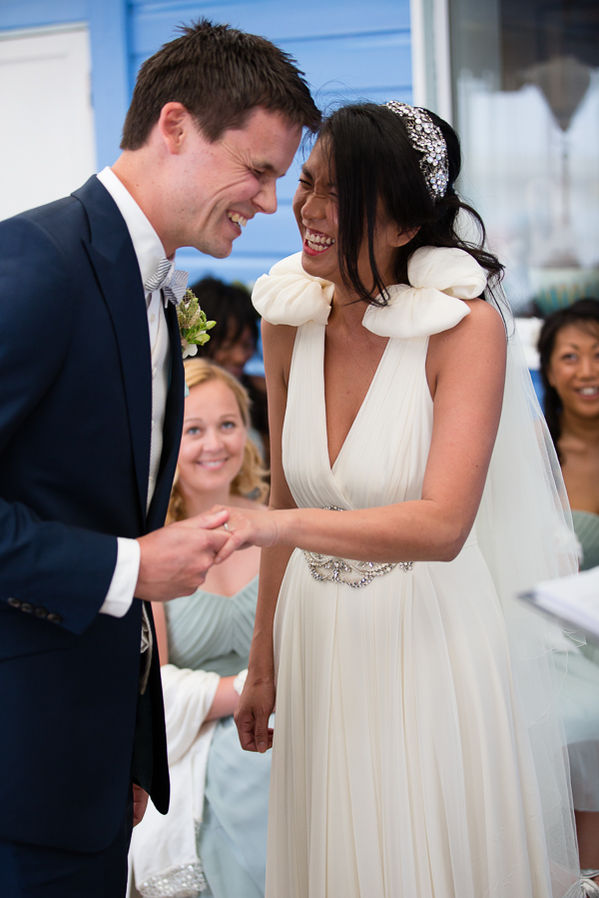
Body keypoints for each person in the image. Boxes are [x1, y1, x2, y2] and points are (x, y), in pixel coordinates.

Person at [223, 102, 585, 896]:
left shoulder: (464, 330)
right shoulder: (290, 320)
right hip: (314, 634)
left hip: (425, 639)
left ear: (402, 224)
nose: (309, 212)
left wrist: (278, 521)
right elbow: (285, 492)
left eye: (338, 195)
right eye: (306, 182)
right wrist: (262, 663)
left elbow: (444, 523)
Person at [0, 19, 319, 898]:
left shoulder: (153, 290)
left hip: (95, 766)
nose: (267, 203)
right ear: (173, 126)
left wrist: (133, 747)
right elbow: (122, 554)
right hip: (19, 763)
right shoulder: (37, 261)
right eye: (256, 171)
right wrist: (129, 565)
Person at [128, 358, 270, 897]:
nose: (215, 443)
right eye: (193, 429)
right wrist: (246, 691)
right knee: (251, 766)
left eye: (227, 425)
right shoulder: (151, 543)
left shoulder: (277, 522)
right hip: (196, 737)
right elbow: (150, 683)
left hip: (286, 720)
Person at [538, 298, 599, 890]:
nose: (588, 371)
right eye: (571, 356)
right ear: (550, 369)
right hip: (560, 644)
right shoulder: (536, 453)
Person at [188, 276, 270, 461]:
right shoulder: (178, 397)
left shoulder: (264, 393)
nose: (240, 357)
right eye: (227, 345)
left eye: (246, 345)